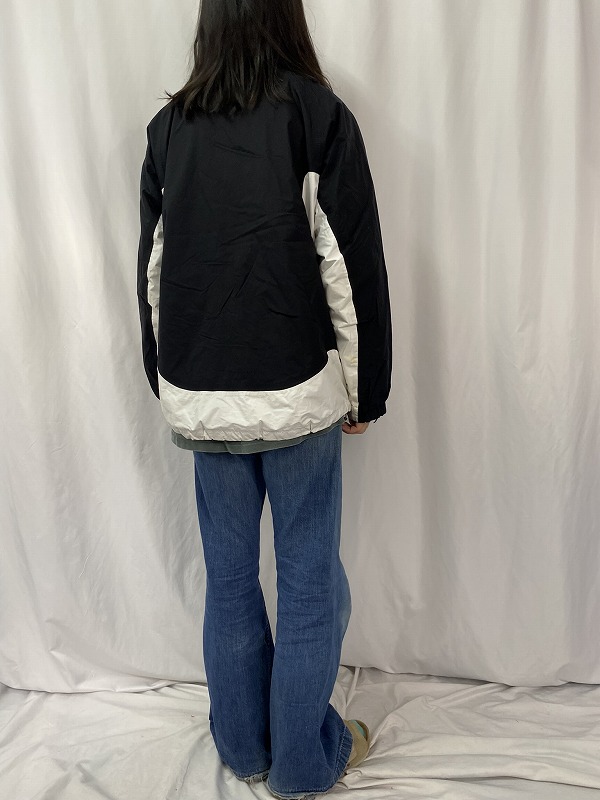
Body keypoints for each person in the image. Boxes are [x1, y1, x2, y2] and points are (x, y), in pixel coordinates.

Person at [136, 1, 392, 797]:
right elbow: (349, 266)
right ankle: (304, 765)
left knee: (230, 581)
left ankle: (244, 748)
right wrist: (366, 389)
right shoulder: (316, 116)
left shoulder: (170, 130)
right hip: (295, 397)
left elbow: (153, 273)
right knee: (310, 583)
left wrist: (167, 383)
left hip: (202, 395)